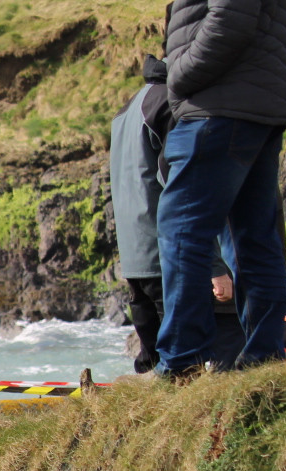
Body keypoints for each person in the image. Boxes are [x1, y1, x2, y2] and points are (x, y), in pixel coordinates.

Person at [155, 0, 286, 376]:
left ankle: (181, 360)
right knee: (254, 237)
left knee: (182, 230)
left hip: (216, 105)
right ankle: (263, 361)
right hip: (254, 104)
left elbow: (233, 15)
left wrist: (178, 74)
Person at [111, 55, 172, 372]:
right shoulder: (166, 102)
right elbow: (172, 175)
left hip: (130, 240)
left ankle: (150, 377)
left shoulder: (126, 109)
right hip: (159, 236)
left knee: (148, 332)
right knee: (172, 333)